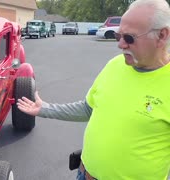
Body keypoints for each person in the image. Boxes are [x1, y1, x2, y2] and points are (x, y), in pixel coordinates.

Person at [17, 0, 170, 179]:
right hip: (84, 174)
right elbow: (88, 108)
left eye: (129, 38)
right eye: (117, 36)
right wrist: (45, 109)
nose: (120, 45)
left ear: (162, 35)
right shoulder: (115, 65)